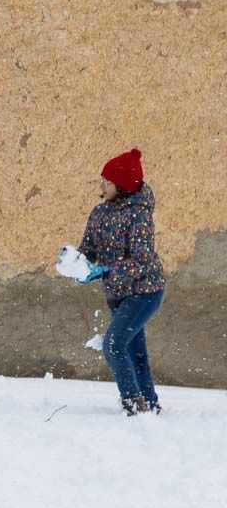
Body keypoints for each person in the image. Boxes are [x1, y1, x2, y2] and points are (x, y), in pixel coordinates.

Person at [75, 148, 166, 416]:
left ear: (123, 185)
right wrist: (77, 263)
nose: (101, 184)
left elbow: (141, 260)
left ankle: (133, 404)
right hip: (118, 293)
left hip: (144, 292)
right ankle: (149, 406)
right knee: (135, 354)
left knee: (114, 345)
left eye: (107, 180)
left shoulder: (139, 215)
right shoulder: (99, 213)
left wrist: (104, 270)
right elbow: (88, 249)